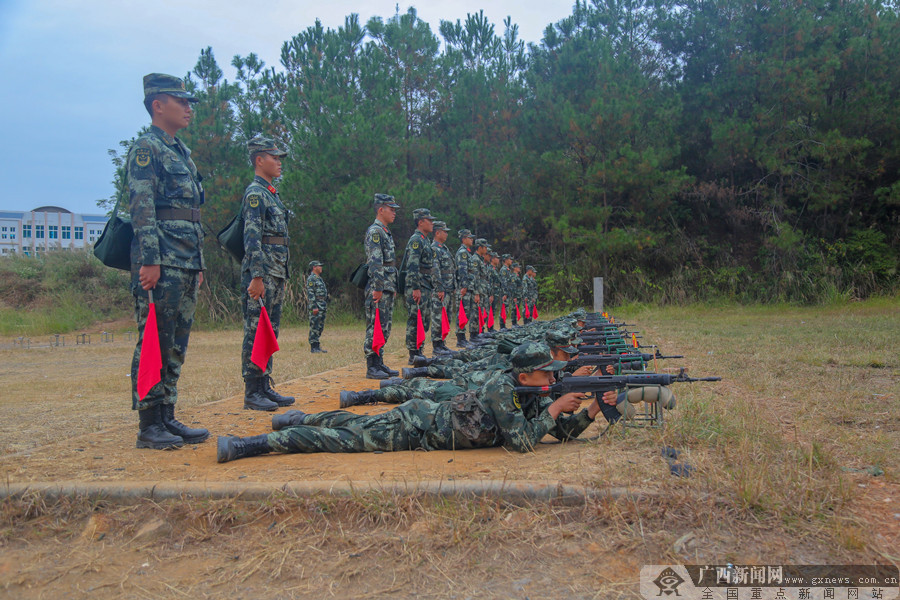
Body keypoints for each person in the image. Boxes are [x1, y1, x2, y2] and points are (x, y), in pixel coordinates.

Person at [217, 342, 617, 461]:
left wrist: (591, 410)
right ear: (526, 375)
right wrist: (555, 405)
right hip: (416, 427)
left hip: (425, 424)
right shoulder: (502, 387)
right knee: (341, 437)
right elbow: (522, 441)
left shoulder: (531, 391)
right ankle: (249, 445)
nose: (554, 377)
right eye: (548, 373)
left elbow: (556, 430)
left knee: (345, 425)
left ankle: (296, 418)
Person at [127, 73, 209, 450]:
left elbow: (191, 212)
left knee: (176, 342)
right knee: (154, 341)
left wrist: (199, 262)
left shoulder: (180, 152)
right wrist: (150, 259)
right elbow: (142, 207)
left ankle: (167, 416)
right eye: (181, 101)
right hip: (162, 259)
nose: (188, 108)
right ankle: (149, 423)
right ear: (158, 105)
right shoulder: (147, 148)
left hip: (186, 259)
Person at [239, 136, 295, 411]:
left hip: (276, 271)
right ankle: (252, 390)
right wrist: (257, 276)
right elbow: (252, 239)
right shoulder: (255, 194)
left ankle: (264, 385)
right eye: (274, 157)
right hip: (263, 273)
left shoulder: (271, 193)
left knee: (269, 330)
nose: (279, 162)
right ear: (259, 160)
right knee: (255, 329)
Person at [364, 194, 401, 379]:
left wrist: (391, 286)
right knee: (375, 324)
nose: (394, 212)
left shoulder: (385, 231)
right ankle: (372, 366)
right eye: (391, 209)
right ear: (381, 210)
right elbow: (375, 263)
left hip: (386, 284)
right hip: (379, 285)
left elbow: (389, 263)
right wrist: (378, 287)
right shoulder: (375, 232)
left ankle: (379, 362)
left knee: (384, 326)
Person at [401, 208, 436, 364]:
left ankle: (419, 349)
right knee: (416, 318)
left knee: (425, 318)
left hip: (425, 284)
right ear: (420, 222)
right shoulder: (416, 240)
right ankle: (413, 353)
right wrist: (415, 287)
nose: (432, 223)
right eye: (429, 220)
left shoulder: (424, 239)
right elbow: (412, 265)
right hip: (418, 284)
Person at [430, 220, 456, 355]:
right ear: (437, 232)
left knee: (446, 317)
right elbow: (435, 269)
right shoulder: (434, 249)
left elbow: (450, 269)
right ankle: (437, 345)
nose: (446, 234)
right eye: (444, 231)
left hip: (448, 288)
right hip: (441, 290)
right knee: (438, 317)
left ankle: (442, 344)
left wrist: (453, 286)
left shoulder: (443, 249)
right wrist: (439, 288)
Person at [454, 229, 475, 348]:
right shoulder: (462, 252)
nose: (471, 239)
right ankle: (460, 338)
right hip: (464, 287)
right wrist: (464, 286)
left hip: (469, 287)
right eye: (469, 237)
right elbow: (462, 271)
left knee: (467, 312)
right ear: (463, 239)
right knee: (462, 312)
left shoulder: (467, 252)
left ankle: (463, 338)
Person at [306, 260, 328, 353]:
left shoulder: (319, 278)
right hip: (316, 305)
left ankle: (317, 345)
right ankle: (313, 346)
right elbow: (310, 294)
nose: (321, 267)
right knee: (314, 325)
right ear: (314, 267)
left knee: (320, 325)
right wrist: (314, 306)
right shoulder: (312, 279)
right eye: (319, 266)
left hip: (322, 304)